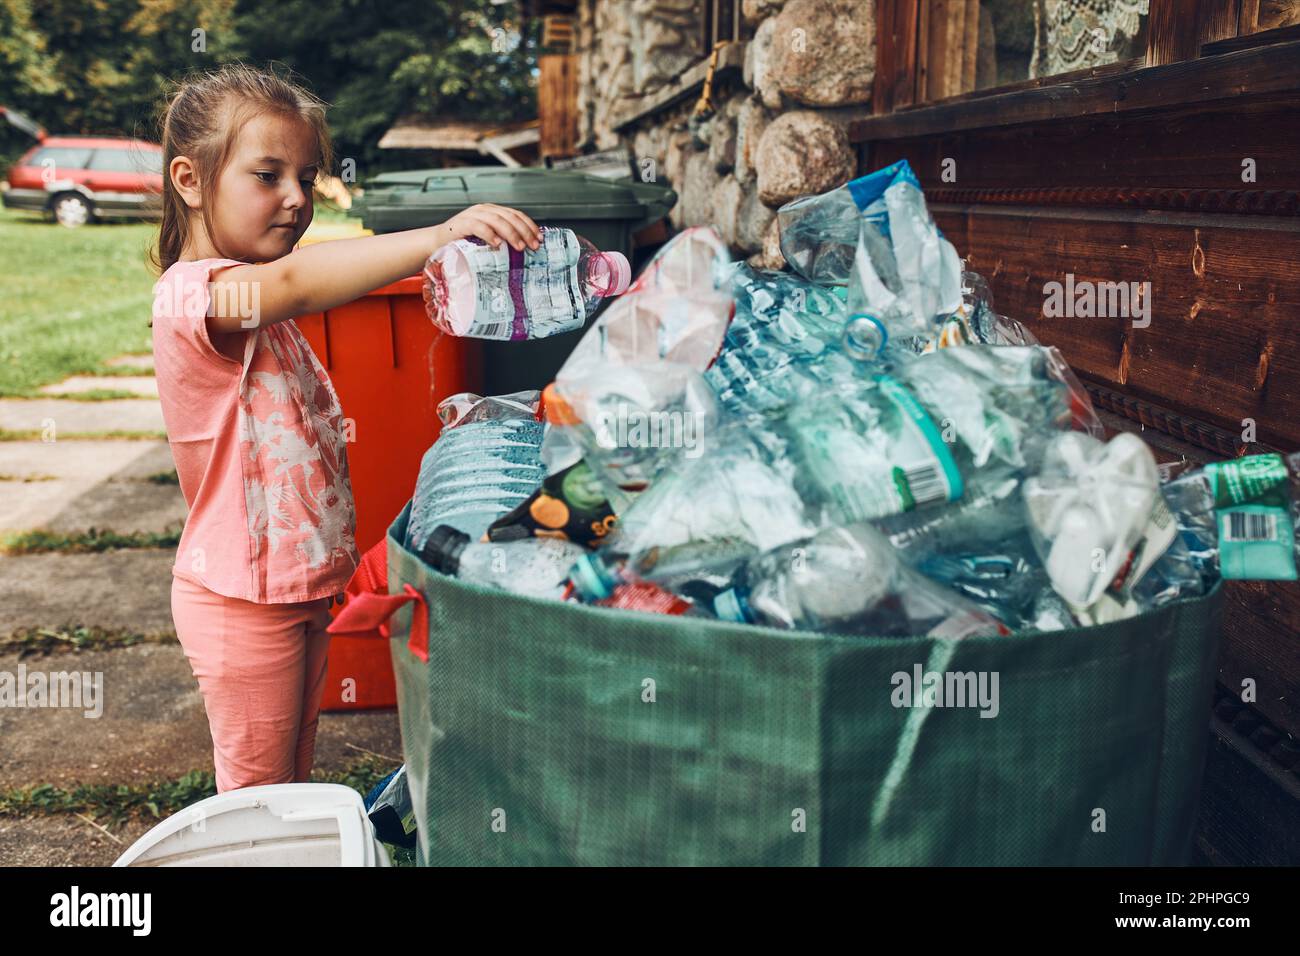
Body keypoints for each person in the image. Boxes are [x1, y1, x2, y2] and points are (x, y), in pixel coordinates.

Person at [149, 62, 541, 793]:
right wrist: (443, 235)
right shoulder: (194, 300)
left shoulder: (259, 300)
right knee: (255, 801)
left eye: (307, 176)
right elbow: (298, 284)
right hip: (240, 603)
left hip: (291, 593)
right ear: (191, 180)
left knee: (287, 788)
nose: (296, 198)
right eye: (268, 175)